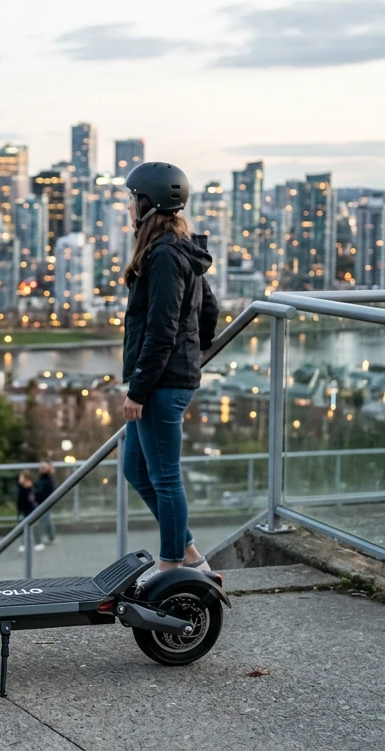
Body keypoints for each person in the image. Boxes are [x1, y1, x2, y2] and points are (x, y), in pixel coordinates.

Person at [119, 162, 219, 580]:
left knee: (164, 478)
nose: (128, 206)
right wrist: (196, 349)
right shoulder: (179, 247)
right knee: (136, 469)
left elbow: (161, 330)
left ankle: (172, 566)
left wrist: (138, 390)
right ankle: (191, 555)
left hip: (160, 383)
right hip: (170, 377)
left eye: (132, 199)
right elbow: (209, 309)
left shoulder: (163, 254)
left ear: (148, 203)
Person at [15, 470, 45, 552]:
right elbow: (19, 500)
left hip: (33, 509)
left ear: (26, 478)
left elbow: (36, 498)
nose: (20, 479)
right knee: (24, 528)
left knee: (35, 527)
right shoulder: (21, 488)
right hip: (24, 510)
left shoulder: (33, 487)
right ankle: (23, 544)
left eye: (21, 477)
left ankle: (38, 543)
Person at [33, 461, 58, 545]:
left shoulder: (49, 479)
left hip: (45, 503)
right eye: (41, 467)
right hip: (39, 503)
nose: (42, 469)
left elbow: (49, 491)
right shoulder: (40, 479)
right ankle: (50, 537)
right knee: (46, 520)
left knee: (46, 520)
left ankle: (49, 537)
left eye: (44, 467)